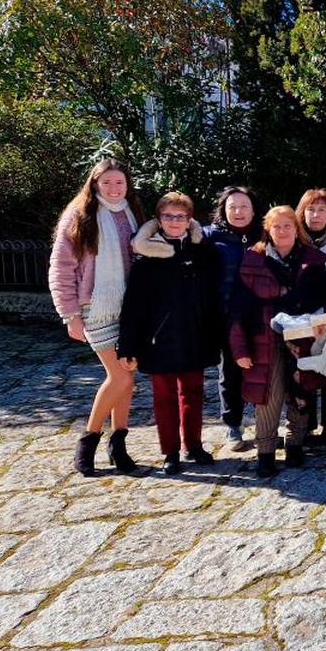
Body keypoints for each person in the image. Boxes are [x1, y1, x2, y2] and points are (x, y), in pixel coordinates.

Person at [49, 158, 145, 477]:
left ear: (127, 186)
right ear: (94, 184)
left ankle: (118, 445)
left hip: (130, 307)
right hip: (96, 307)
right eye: (107, 183)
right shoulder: (80, 216)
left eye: (120, 183)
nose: (114, 188)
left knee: (128, 378)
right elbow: (61, 268)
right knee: (120, 377)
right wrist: (69, 315)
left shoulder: (133, 214)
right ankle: (88, 441)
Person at [229, 206, 326, 477]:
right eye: (276, 226)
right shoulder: (253, 260)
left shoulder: (313, 260)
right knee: (269, 395)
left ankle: (295, 445)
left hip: (303, 336)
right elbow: (237, 309)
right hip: (263, 338)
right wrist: (239, 348)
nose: (282, 231)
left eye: (288, 226)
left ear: (296, 228)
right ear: (268, 229)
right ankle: (265, 452)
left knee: (301, 391)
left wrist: (323, 321)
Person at [117, 192, 219, 475]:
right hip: (159, 339)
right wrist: (127, 346)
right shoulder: (147, 259)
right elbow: (134, 307)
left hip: (195, 335)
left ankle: (194, 445)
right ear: (159, 220)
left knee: (194, 393)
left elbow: (212, 296)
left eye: (180, 216)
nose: (174, 222)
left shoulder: (202, 252)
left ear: (189, 220)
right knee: (164, 397)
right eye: (168, 216)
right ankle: (170, 450)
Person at [203, 186, 262, 451]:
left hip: (261, 313)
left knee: (264, 369)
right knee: (230, 372)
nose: (238, 212)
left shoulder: (264, 234)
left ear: (253, 209)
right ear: (224, 210)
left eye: (244, 206)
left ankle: (266, 423)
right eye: (232, 207)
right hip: (227, 316)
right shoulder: (209, 236)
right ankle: (233, 424)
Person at [295, 188, 326, 444]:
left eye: (321, 210)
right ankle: (307, 423)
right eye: (310, 210)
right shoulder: (294, 242)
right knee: (303, 370)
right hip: (300, 318)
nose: (315, 215)